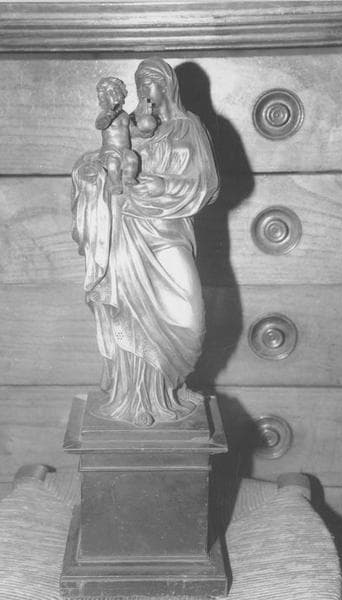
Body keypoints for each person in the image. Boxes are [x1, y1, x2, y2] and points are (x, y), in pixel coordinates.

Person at [72, 58, 219, 427]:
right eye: (139, 84)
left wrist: (165, 185)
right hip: (129, 228)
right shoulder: (132, 125)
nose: (144, 90)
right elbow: (108, 159)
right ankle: (136, 398)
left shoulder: (190, 127)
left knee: (189, 316)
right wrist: (92, 174)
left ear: (168, 86)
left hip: (169, 231)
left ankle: (169, 388)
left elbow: (208, 185)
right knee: (131, 312)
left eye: (150, 82)